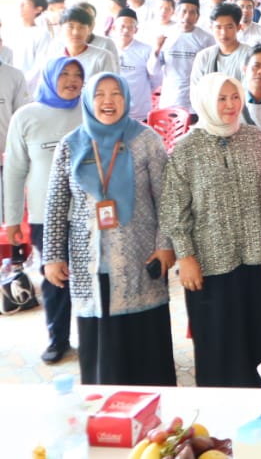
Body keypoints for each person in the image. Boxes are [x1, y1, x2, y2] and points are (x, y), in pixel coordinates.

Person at [43, 72, 176, 385]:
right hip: (89, 263)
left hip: (142, 261)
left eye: (115, 93)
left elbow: (168, 199)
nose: (108, 101)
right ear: (89, 99)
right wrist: (53, 256)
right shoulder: (71, 145)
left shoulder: (146, 140)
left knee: (145, 352)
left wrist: (165, 245)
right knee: (102, 355)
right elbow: (56, 205)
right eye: (100, 94)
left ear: (126, 98)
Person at [160, 72, 261, 387]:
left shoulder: (255, 138)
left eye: (234, 97)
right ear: (206, 101)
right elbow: (174, 208)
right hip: (210, 265)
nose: (230, 105)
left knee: (258, 344)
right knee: (218, 346)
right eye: (221, 98)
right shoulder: (187, 148)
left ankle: (260, 404)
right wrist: (186, 256)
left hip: (256, 258)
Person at [4, 57, 81, 362]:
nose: (72, 80)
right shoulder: (26, 117)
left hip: (87, 215)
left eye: (78, 75)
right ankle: (57, 338)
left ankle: (94, 336)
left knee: (91, 278)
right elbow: (14, 171)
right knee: (54, 279)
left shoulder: (89, 110)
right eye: (64, 74)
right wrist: (11, 219)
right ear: (50, 77)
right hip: (43, 216)